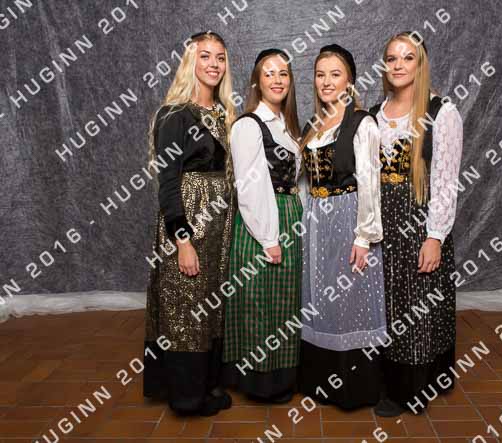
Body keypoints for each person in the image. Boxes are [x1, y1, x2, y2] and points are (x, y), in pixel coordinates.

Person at [369, 32, 463, 416]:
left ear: (421, 64)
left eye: (408, 58)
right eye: (392, 58)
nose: (398, 65)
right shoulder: (375, 113)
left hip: (419, 221)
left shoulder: (441, 112)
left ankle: (414, 388)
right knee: (388, 302)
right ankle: (388, 380)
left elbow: (445, 180)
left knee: (419, 304)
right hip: (383, 223)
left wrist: (435, 235)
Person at [143, 31, 236, 416]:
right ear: (190, 62)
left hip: (219, 226)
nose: (214, 64)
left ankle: (206, 384)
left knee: (210, 306)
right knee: (185, 307)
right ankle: (186, 398)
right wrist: (182, 240)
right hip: (188, 223)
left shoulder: (225, 112)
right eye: (205, 56)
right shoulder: (175, 114)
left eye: (220, 57)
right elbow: (167, 184)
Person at [298, 44, 386, 410]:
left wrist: (364, 236)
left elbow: (370, 182)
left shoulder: (362, 122)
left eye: (335, 74)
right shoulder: (312, 126)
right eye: (320, 75)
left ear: (349, 80)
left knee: (350, 300)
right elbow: (304, 182)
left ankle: (353, 388)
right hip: (316, 221)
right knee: (320, 299)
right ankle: (321, 383)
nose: (326, 81)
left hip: (348, 217)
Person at [222, 49, 303, 403]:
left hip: (289, 215)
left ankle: (284, 374)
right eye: (269, 73)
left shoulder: (286, 126)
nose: (277, 80)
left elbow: (296, 181)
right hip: (263, 221)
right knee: (260, 302)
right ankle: (261, 381)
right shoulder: (248, 125)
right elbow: (251, 186)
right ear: (257, 82)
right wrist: (269, 237)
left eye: (283, 73)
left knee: (284, 302)